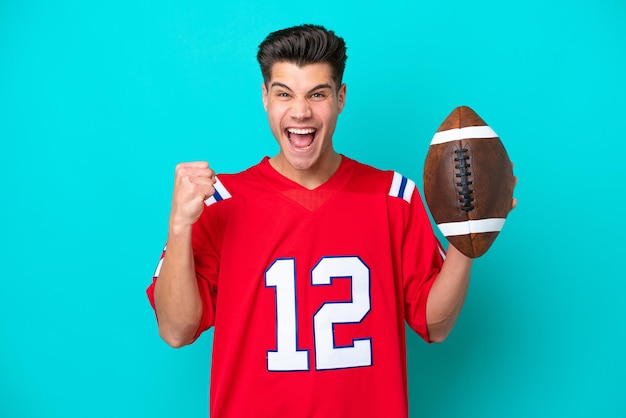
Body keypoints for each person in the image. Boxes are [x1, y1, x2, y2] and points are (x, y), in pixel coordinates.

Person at [147, 24, 505, 418]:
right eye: (285, 93)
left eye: (317, 94)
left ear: (340, 98)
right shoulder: (218, 201)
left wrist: (466, 235)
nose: (300, 112)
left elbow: (434, 324)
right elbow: (176, 330)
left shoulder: (392, 196)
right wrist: (179, 227)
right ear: (265, 98)